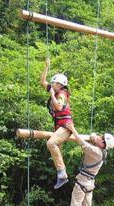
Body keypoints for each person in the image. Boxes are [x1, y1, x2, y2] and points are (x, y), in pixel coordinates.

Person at [65, 122, 114, 206]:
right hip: (89, 183)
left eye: (102, 138)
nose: (100, 137)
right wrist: (94, 137)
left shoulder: (96, 152)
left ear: (103, 144)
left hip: (83, 182)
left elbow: (81, 143)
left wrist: (73, 129)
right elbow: (93, 137)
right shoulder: (103, 152)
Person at [40, 58, 73, 189]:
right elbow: (42, 81)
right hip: (60, 126)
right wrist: (46, 67)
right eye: (52, 83)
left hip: (66, 125)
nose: (52, 85)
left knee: (51, 143)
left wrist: (52, 95)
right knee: (55, 147)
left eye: (54, 83)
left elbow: (59, 107)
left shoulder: (62, 94)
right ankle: (61, 174)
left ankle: (62, 173)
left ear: (60, 85)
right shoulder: (55, 89)